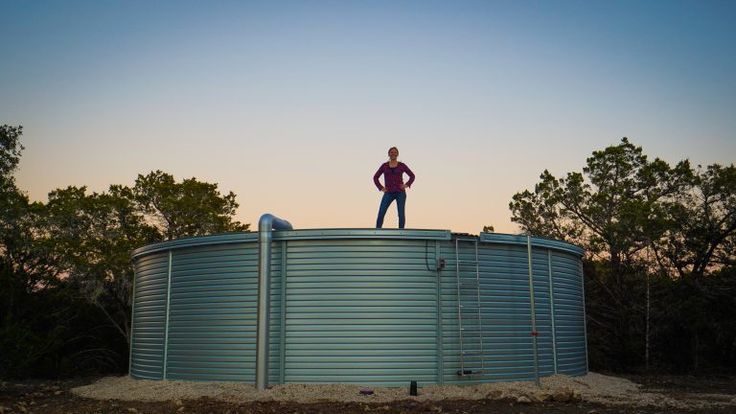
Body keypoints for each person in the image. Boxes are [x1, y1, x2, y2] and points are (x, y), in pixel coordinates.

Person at [373, 146, 415, 228]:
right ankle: (377, 231)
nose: (393, 153)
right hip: (388, 192)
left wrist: (406, 184)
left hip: (400, 192)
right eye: (391, 152)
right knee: (381, 212)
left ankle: (401, 232)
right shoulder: (384, 166)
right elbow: (375, 177)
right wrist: (381, 188)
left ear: (397, 154)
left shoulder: (401, 165)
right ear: (389, 154)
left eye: (395, 152)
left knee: (401, 213)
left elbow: (412, 176)